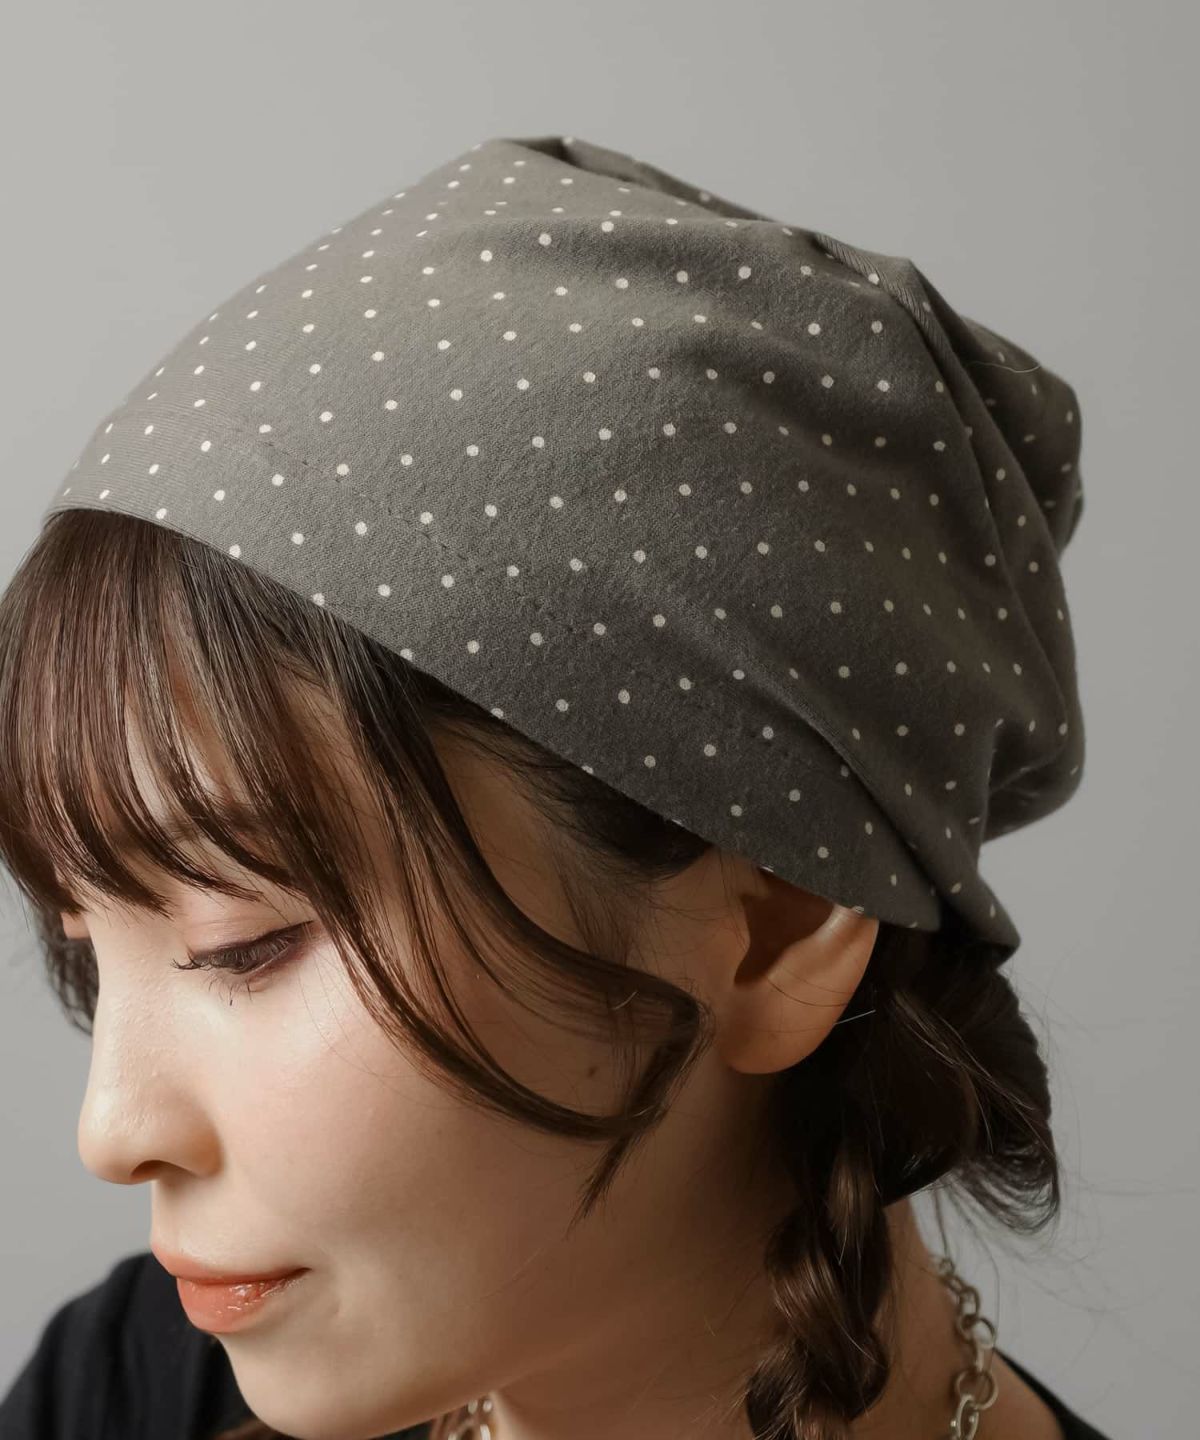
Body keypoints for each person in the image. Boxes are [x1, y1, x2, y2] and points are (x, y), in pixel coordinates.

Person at [0, 134, 1114, 1439]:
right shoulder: (132, 1388)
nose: (112, 1129)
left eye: (244, 941)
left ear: (778, 918)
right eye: (88, 951)